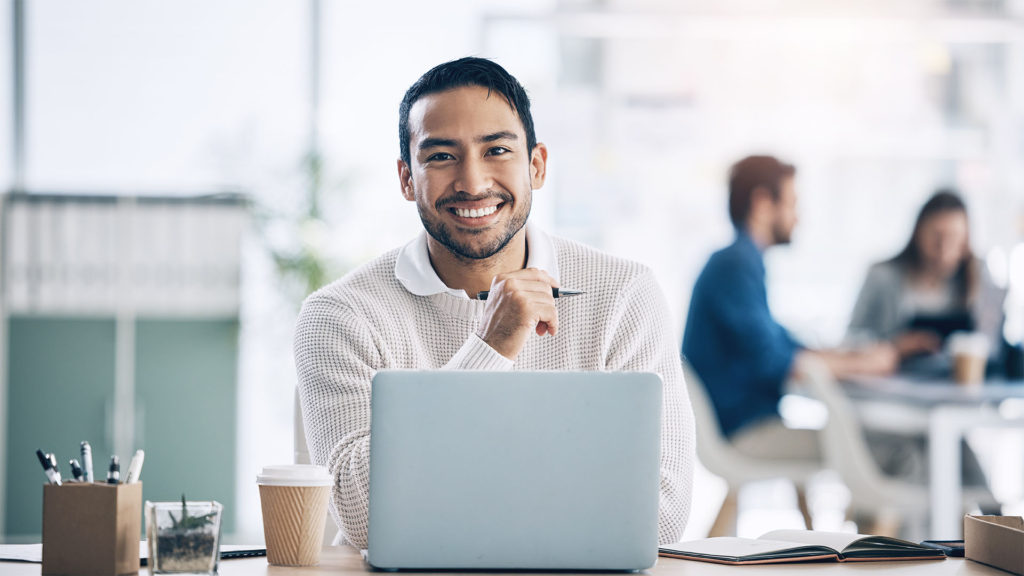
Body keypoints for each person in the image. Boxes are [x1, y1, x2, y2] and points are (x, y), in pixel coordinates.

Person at [294, 57, 694, 549]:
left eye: (497, 150)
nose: (473, 182)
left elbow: (661, 512)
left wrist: (439, 496)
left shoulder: (624, 294)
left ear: (537, 165)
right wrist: (491, 345)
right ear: (405, 178)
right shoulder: (339, 316)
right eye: (441, 156)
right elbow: (366, 519)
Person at [682, 155, 898, 461]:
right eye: (792, 203)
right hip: (744, 432)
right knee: (882, 449)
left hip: (742, 425)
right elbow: (776, 362)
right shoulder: (736, 265)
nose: (797, 217)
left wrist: (850, 356)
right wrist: (865, 365)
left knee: (863, 442)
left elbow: (780, 343)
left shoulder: (739, 261)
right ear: (762, 203)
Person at [846, 190, 1006, 369]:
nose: (943, 249)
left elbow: (992, 346)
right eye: (936, 237)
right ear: (918, 233)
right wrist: (894, 346)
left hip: (957, 384)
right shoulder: (883, 276)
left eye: (953, 238)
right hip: (895, 381)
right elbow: (850, 339)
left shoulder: (979, 275)